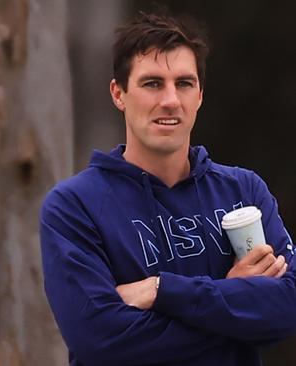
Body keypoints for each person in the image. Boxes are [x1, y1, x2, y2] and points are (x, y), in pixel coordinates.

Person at [40, 10, 296, 366]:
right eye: (152, 83)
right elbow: (100, 342)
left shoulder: (244, 191)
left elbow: (286, 309)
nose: (171, 100)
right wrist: (233, 302)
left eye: (184, 83)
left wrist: (160, 290)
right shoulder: (73, 207)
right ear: (119, 93)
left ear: (200, 95)